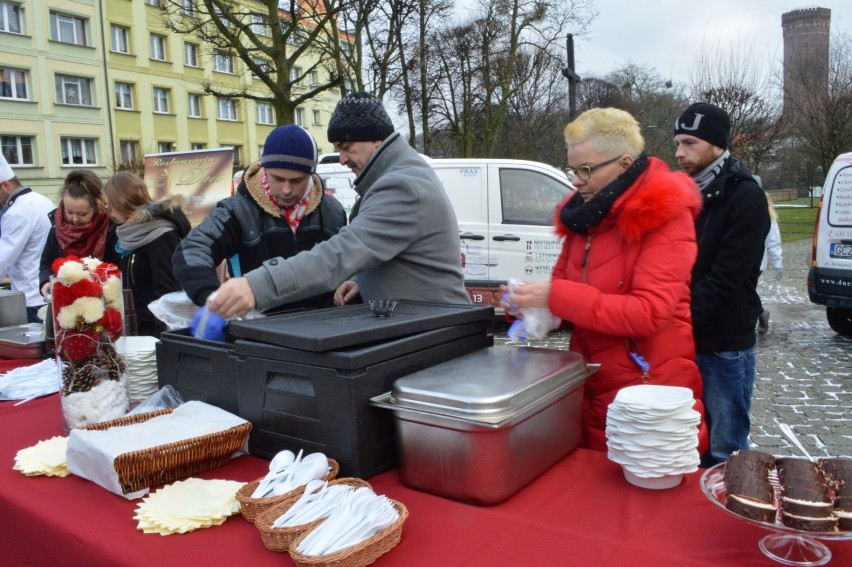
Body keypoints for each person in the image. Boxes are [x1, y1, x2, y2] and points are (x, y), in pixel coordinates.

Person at [502, 107, 708, 453]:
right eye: (572, 169)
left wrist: (554, 297)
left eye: (585, 170)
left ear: (624, 164)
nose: (576, 180)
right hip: (592, 381)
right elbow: (563, 295)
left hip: (648, 392)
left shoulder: (664, 216)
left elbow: (648, 313)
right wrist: (529, 305)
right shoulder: (583, 218)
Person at [205, 92, 470, 318]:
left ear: (375, 139)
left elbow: (339, 254)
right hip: (425, 323)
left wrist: (256, 286)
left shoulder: (401, 186)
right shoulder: (398, 175)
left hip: (435, 329)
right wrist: (362, 279)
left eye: (346, 147)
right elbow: (390, 251)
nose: (342, 159)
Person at [674, 102, 771, 467]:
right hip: (685, 338)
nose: (680, 152)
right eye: (677, 143)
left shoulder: (745, 196)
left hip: (724, 344)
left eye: (689, 143)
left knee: (724, 448)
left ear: (716, 144)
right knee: (686, 437)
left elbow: (726, 278)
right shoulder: (681, 193)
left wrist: (679, 320)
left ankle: (724, 512)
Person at [173, 125, 347, 312]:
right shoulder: (236, 211)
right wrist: (209, 295)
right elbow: (193, 248)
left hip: (324, 327)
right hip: (259, 329)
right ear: (264, 169)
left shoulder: (333, 211)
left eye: (297, 180)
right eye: (278, 179)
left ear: (312, 174)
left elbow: (349, 263)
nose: (286, 190)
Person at [102, 173, 191, 337]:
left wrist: (161, 340)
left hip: (154, 331)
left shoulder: (162, 235)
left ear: (121, 203)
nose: (108, 212)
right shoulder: (126, 234)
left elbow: (167, 292)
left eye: (109, 206)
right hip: (132, 327)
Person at [39, 170, 120, 297]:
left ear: (97, 207)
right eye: (69, 212)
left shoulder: (110, 228)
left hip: (104, 300)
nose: (75, 219)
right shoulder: (56, 229)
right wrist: (46, 282)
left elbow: (118, 268)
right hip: (65, 300)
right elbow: (46, 263)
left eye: (82, 214)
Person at [0, 154, 55, 323]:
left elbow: (2, 260)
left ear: (5, 185)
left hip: (32, 300)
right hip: (47, 294)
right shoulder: (41, 200)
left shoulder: (17, 211)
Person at [754, 178, 783, 335]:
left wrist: (777, 263)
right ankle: (760, 313)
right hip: (736, 259)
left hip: (756, 262)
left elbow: (773, 240)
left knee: (744, 291)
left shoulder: (766, 213)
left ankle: (758, 315)